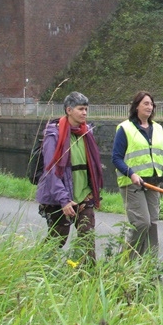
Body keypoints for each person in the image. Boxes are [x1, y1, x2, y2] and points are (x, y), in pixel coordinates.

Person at [112, 91, 163, 259]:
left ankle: (150, 266)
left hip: (153, 183)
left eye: (151, 104)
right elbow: (116, 158)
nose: (149, 107)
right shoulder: (125, 128)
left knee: (152, 225)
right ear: (136, 107)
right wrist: (131, 174)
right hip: (132, 184)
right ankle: (124, 262)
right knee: (141, 223)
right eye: (146, 103)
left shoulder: (157, 128)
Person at [36, 91, 104, 264]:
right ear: (68, 110)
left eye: (86, 109)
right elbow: (51, 171)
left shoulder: (86, 133)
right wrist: (64, 200)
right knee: (58, 238)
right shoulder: (54, 135)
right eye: (81, 109)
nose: (84, 113)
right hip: (59, 198)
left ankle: (88, 278)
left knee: (87, 239)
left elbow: (92, 166)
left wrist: (93, 191)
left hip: (83, 195)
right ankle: (39, 268)